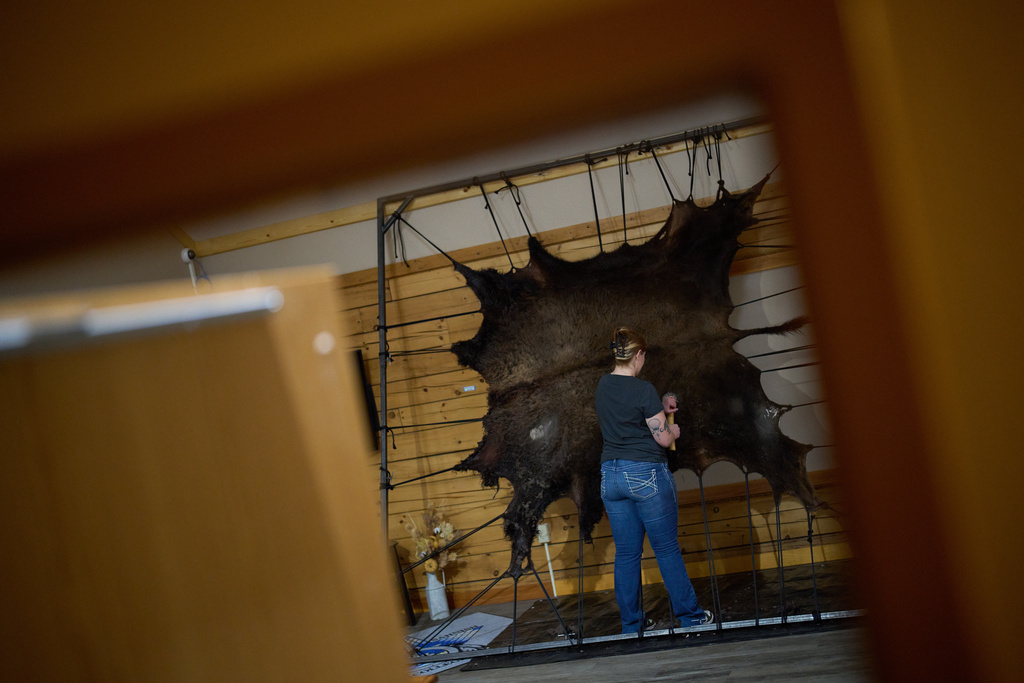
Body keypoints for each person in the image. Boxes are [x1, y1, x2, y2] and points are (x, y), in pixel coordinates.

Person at [595, 326, 713, 634]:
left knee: (626, 554)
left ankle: (632, 625)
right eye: (643, 356)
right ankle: (691, 618)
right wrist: (673, 430)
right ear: (638, 354)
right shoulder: (643, 389)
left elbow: (627, 419)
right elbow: (662, 438)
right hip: (644, 474)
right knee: (666, 548)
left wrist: (661, 410)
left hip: (611, 477)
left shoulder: (603, 385)